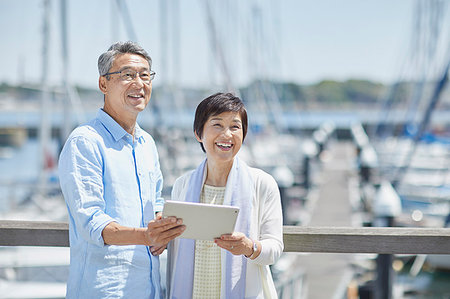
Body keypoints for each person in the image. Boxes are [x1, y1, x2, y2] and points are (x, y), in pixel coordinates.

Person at [58, 41, 185, 299]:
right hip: (103, 291)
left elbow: (155, 202)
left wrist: (164, 225)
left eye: (145, 75)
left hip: (149, 289)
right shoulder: (85, 142)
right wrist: (148, 236)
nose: (139, 83)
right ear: (103, 84)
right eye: (127, 75)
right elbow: (92, 223)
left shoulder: (147, 143)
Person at [166, 92, 284, 298]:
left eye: (235, 127)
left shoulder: (262, 183)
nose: (227, 134)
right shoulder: (182, 185)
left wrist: (249, 247)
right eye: (217, 125)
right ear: (198, 133)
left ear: (244, 134)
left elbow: (274, 248)